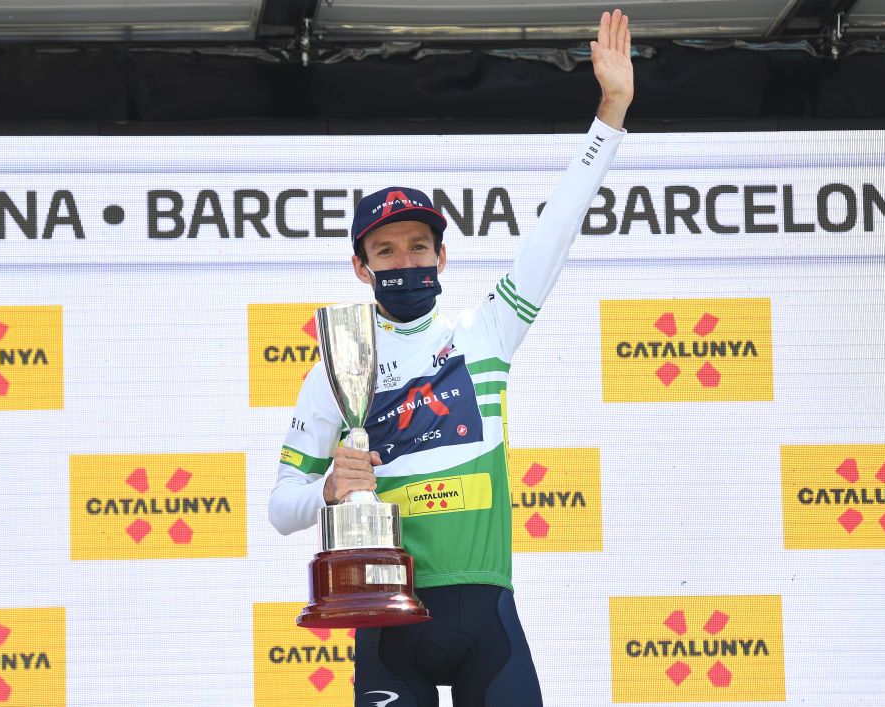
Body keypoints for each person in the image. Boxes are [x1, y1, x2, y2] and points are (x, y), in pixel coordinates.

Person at [269, 9, 634, 706]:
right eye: (385, 250)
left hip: (487, 625)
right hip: (384, 625)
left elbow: (557, 227)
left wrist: (609, 113)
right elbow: (280, 510)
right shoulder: (337, 363)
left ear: (443, 255)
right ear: (360, 267)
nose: (403, 260)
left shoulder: (488, 330)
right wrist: (330, 489)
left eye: (417, 246)